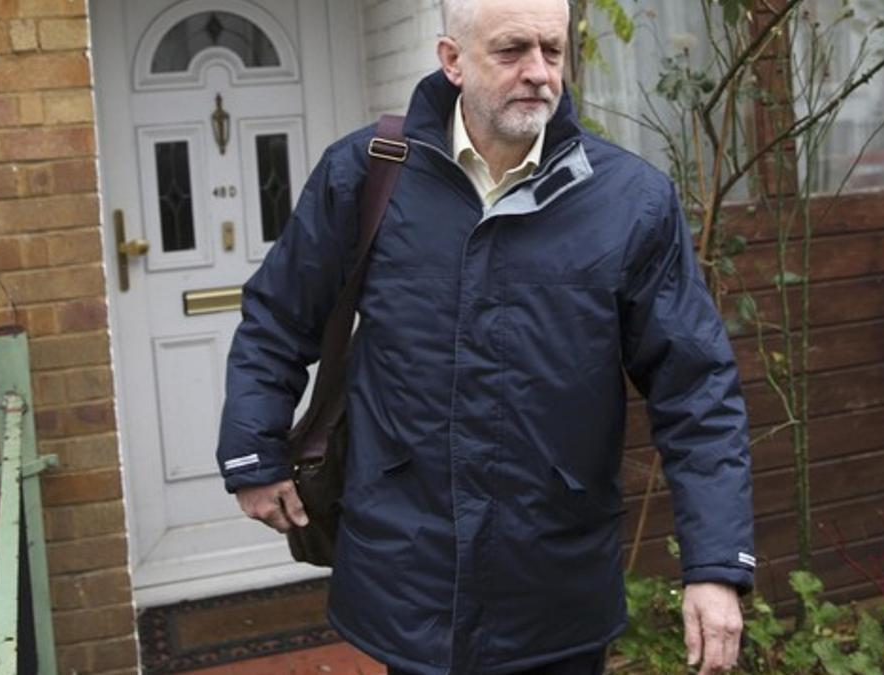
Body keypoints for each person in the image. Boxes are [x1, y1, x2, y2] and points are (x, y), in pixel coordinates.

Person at [216, 0, 755, 673]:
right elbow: (279, 314)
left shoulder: (631, 201)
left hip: (554, 583)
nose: (538, 72)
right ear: (452, 61)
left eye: (552, 51)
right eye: (512, 50)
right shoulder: (368, 172)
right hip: (407, 568)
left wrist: (714, 564)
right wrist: (253, 450)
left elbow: (696, 386)